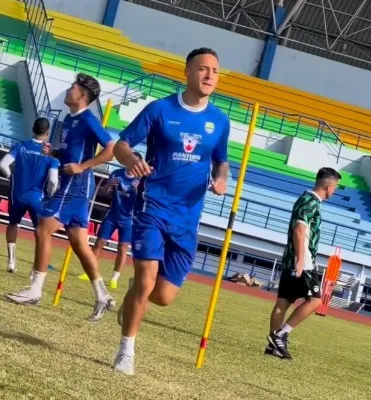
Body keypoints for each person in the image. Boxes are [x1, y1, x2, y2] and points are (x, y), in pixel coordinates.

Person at [111, 47, 230, 375]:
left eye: (215, 71)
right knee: (147, 280)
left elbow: (221, 160)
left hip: (188, 217)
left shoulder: (220, 120)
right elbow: (121, 144)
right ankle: (126, 352)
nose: (209, 76)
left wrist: (221, 180)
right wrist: (132, 160)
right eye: (203, 69)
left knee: (162, 296)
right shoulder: (159, 110)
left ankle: (134, 296)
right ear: (187, 73)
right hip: (153, 207)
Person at [6, 73, 116, 322]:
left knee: (43, 228)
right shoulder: (69, 118)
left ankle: (35, 289)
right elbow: (70, 151)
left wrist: (83, 166)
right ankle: (102, 296)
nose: (68, 90)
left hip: (75, 186)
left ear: (83, 95)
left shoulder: (89, 119)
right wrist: (54, 150)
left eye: (72, 87)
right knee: (78, 243)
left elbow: (111, 150)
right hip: (73, 185)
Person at [265, 167, 341, 360]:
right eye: (336, 187)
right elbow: (300, 231)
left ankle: (273, 345)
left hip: (293, 257)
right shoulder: (310, 202)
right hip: (303, 259)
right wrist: (300, 260)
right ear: (328, 185)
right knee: (316, 300)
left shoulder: (305, 199)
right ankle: (282, 334)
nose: (335, 191)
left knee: (283, 301)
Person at [0, 117, 59, 273]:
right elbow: (53, 181)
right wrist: (50, 195)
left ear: (33, 129)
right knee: (41, 232)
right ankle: (36, 268)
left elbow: (3, 165)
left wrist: (11, 177)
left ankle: (11, 262)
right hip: (37, 197)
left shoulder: (21, 146)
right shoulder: (50, 155)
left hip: (17, 193)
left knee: (13, 224)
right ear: (47, 132)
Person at [91, 153, 142, 289]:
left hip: (128, 219)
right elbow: (104, 190)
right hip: (112, 214)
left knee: (122, 248)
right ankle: (90, 271)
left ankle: (114, 278)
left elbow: (143, 202)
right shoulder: (116, 173)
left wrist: (137, 191)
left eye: (137, 163)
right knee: (99, 242)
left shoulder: (141, 180)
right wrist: (109, 185)